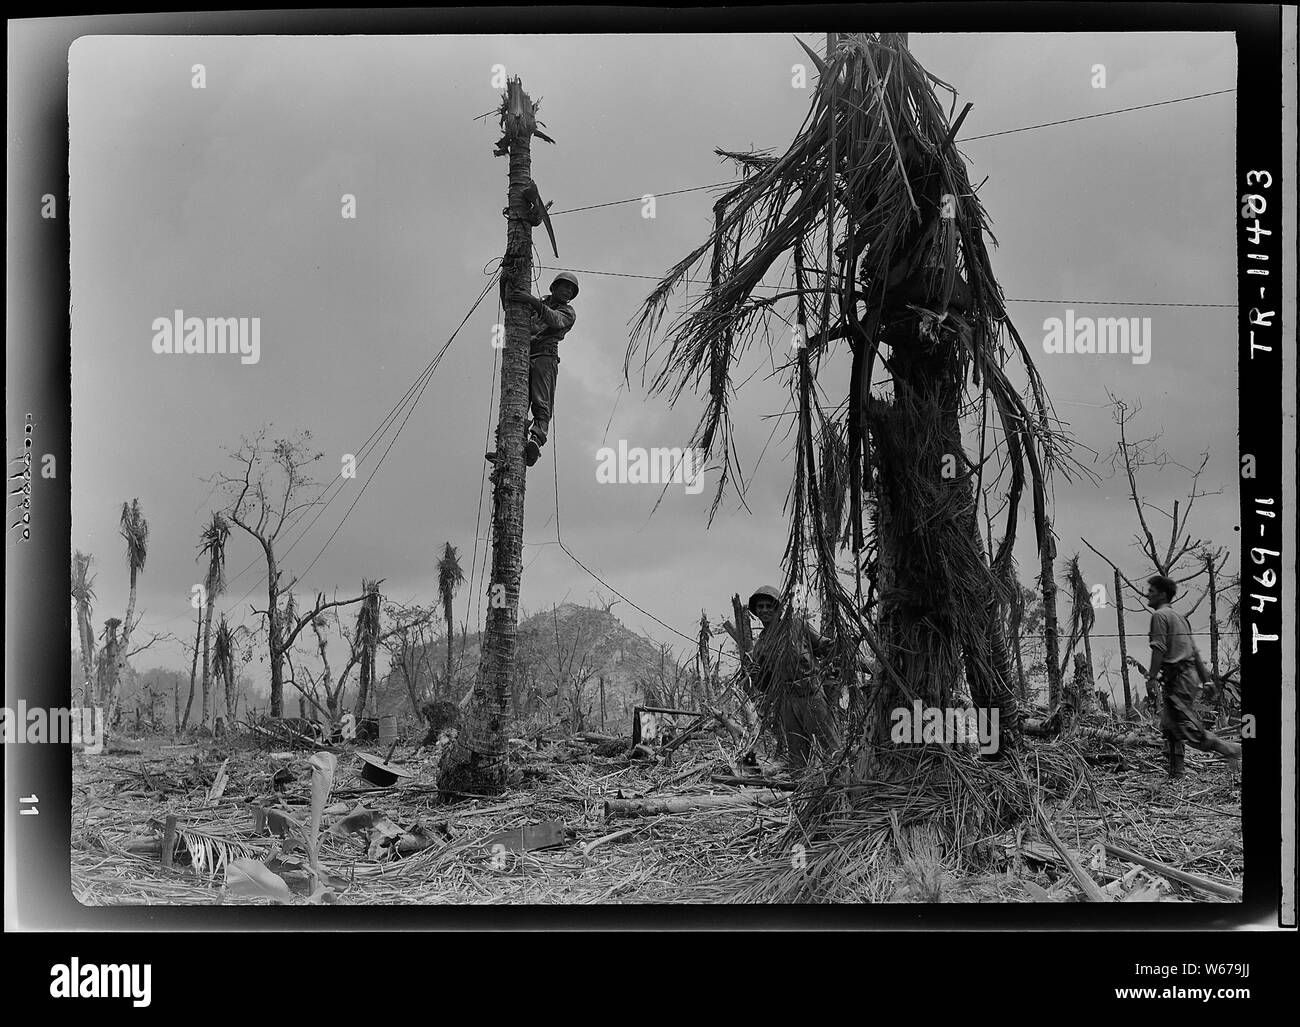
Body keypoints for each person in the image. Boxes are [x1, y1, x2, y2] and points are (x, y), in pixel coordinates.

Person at [1144, 574, 1240, 780]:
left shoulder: (1159, 617)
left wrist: (1151, 678)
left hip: (1178, 678)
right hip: (1187, 676)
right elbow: (1195, 652)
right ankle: (1176, 773)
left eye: (1151, 591)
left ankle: (1230, 749)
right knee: (1170, 726)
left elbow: (1158, 649)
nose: (1147, 595)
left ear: (1162, 595)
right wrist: (1206, 680)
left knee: (1186, 727)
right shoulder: (1179, 618)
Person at [746, 585, 840, 770]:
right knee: (797, 754)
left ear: (779, 608)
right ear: (756, 612)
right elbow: (767, 686)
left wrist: (839, 649)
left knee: (831, 747)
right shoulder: (760, 646)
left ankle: (841, 782)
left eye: (769, 606)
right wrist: (755, 676)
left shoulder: (797, 625)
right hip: (787, 702)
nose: (765, 610)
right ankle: (799, 790)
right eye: (760, 607)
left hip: (811, 693)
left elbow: (823, 647)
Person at [504, 272, 579, 467]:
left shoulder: (568, 312)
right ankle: (509, 446)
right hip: (523, 356)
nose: (568, 292)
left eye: (571, 290)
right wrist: (505, 280)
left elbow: (555, 320)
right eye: (565, 287)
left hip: (546, 358)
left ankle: (536, 440)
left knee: (541, 402)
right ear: (553, 288)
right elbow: (512, 309)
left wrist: (531, 301)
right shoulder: (536, 304)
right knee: (516, 401)